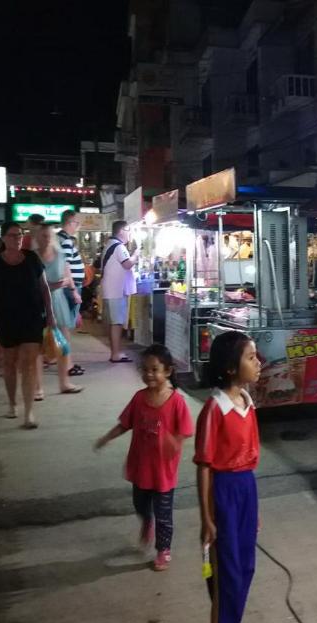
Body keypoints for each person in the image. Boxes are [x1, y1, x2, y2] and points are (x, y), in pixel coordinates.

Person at [94, 344, 194, 571]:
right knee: (140, 505)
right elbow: (124, 424)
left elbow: (186, 430)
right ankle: (146, 521)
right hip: (141, 467)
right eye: (145, 369)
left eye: (154, 369)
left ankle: (163, 550)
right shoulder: (139, 399)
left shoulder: (176, 402)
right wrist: (107, 438)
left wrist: (175, 442)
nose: (149, 374)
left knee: (164, 514)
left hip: (163, 472)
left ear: (167, 371)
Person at [195, 330, 262, 623]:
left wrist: (253, 511)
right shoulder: (214, 409)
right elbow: (204, 466)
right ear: (231, 368)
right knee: (226, 576)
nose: (258, 362)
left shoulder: (248, 403)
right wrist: (207, 518)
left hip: (247, 488)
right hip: (223, 492)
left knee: (245, 569)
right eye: (251, 357)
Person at [0, 221, 55, 428]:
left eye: (20, 235)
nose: (18, 239)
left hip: (32, 317)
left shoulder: (31, 258)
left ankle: (29, 412)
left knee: (29, 364)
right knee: (10, 363)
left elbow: (44, 288)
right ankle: (12, 404)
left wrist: (50, 313)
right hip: (6, 319)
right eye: (13, 235)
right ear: (4, 238)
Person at [35, 224, 82, 396]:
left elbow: (68, 274)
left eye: (49, 235)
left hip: (58, 300)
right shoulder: (33, 257)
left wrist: (73, 291)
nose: (47, 239)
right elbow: (32, 282)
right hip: (39, 302)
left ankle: (64, 383)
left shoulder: (60, 254)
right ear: (37, 237)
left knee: (63, 344)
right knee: (38, 346)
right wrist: (53, 285)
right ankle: (38, 388)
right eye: (43, 236)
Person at [101, 220, 139, 363]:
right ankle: (116, 354)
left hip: (111, 289)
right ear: (122, 231)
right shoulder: (119, 247)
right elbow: (127, 264)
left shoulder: (110, 244)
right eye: (128, 231)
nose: (130, 234)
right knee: (116, 323)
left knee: (114, 323)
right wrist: (136, 254)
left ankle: (115, 352)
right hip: (115, 290)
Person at [57, 209, 85, 375]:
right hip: (69, 287)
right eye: (77, 223)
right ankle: (67, 364)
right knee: (65, 327)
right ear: (69, 222)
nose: (78, 226)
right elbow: (66, 266)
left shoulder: (61, 238)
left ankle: (67, 362)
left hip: (67, 287)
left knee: (64, 326)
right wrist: (74, 290)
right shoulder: (66, 240)